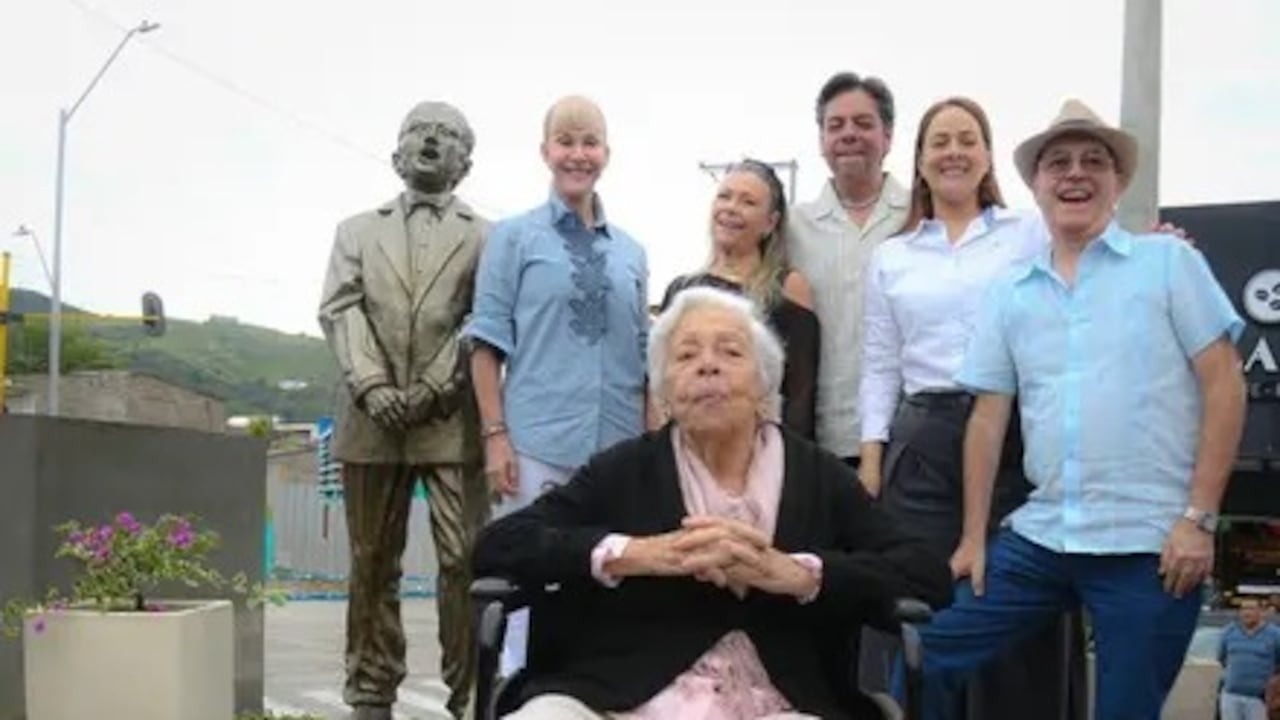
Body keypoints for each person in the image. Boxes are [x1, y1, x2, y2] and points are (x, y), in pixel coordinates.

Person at [472, 286, 952, 719]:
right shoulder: (625, 469)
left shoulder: (819, 476)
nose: (708, 365)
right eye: (686, 355)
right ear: (664, 392)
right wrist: (635, 554)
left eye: (730, 351)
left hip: (781, 702)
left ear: (765, 384)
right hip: (618, 697)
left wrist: (796, 574)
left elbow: (924, 573)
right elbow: (500, 546)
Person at [923, 99, 1248, 720]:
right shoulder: (1011, 290)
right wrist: (972, 538)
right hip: (1042, 536)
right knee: (926, 654)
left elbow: (1225, 385)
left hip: (1151, 544)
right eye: (1058, 163)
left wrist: (1199, 520)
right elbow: (989, 416)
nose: (1075, 173)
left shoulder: (1169, 263)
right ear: (1037, 185)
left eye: (1093, 161)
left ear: (1117, 181)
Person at [857, 96, 1075, 717]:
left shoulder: (1029, 233)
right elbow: (878, 364)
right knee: (923, 605)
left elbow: (1094, 256)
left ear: (987, 156)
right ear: (919, 162)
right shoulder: (892, 256)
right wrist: (871, 460)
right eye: (939, 142)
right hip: (921, 449)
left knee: (1012, 607)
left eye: (967, 139)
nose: (953, 151)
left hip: (1015, 444)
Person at [462, 95, 650, 675]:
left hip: (617, 450)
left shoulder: (633, 253)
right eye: (566, 141)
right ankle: (519, 698)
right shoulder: (513, 238)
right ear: (545, 150)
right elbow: (487, 342)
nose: (577, 153)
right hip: (535, 444)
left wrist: (654, 446)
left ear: (607, 154)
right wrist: (496, 436)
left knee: (614, 586)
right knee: (525, 591)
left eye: (589, 142)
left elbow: (646, 357)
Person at [317, 100, 490, 720]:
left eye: (446, 136)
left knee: (462, 559)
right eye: (420, 131)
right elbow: (340, 307)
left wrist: (436, 386)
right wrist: (371, 385)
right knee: (370, 562)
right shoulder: (356, 230)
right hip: (371, 420)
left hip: (449, 421)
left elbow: (483, 317)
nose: (430, 142)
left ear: (464, 162)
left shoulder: (487, 236)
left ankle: (470, 691)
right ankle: (370, 690)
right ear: (396, 151)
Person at [788, 72, 910, 466]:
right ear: (822, 140)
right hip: (822, 440)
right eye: (835, 125)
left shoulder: (921, 216)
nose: (848, 134)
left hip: (908, 439)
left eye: (863, 123)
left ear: (888, 136)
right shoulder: (792, 228)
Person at [661, 158, 819, 439]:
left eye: (747, 202)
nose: (731, 208)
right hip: (689, 448)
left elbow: (800, 397)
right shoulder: (681, 292)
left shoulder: (788, 288)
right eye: (724, 196)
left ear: (771, 223)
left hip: (760, 450)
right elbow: (663, 385)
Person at [1220, 598, 1280, 720]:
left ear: (1261, 611)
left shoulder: (1275, 634)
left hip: (1260, 699)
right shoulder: (1229, 631)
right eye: (1243, 609)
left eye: (1251, 608)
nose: (1247, 612)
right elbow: (1222, 658)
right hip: (1230, 696)